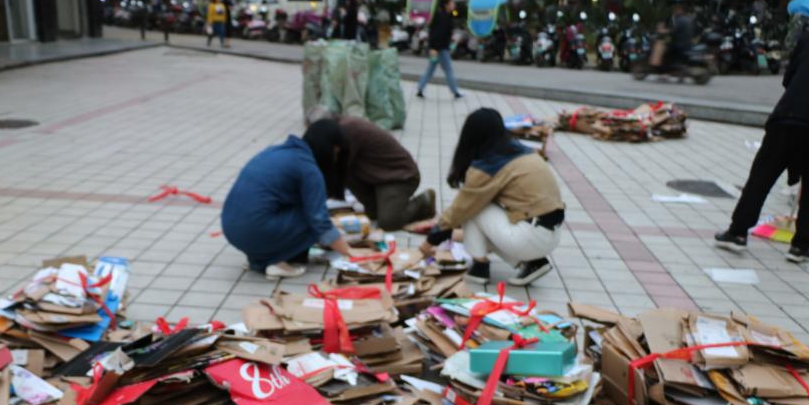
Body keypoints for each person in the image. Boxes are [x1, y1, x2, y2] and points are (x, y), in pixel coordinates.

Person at [714, 0, 809, 263]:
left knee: (761, 178)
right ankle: (801, 246)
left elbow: (789, 78)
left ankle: (737, 232)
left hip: (789, 116)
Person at [420, 108, 565, 287]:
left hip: (530, 237)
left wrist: (430, 241)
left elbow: (461, 208)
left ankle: (480, 268)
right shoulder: (522, 151)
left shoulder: (490, 164)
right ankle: (533, 263)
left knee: (474, 208)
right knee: (477, 208)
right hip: (550, 234)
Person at [222, 120, 354, 279]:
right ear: (329, 148)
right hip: (254, 229)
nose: (335, 159)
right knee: (312, 215)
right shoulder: (308, 168)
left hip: (231, 228)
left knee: (304, 209)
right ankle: (275, 262)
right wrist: (352, 254)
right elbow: (320, 222)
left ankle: (259, 259)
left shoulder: (277, 150)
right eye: (336, 153)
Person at [307, 107, 436, 231]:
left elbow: (336, 169)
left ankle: (424, 201)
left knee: (388, 223)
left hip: (399, 176)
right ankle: (381, 206)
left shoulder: (347, 130)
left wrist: (317, 201)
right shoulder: (339, 128)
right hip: (376, 175)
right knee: (373, 214)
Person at [416, 0, 462, 99]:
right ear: (447, 5)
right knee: (448, 70)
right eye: (451, 2)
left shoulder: (443, 15)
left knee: (430, 69)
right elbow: (437, 33)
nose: (453, 4)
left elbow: (436, 32)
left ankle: (420, 88)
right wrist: (434, 48)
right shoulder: (443, 16)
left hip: (437, 47)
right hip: (440, 49)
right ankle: (455, 92)